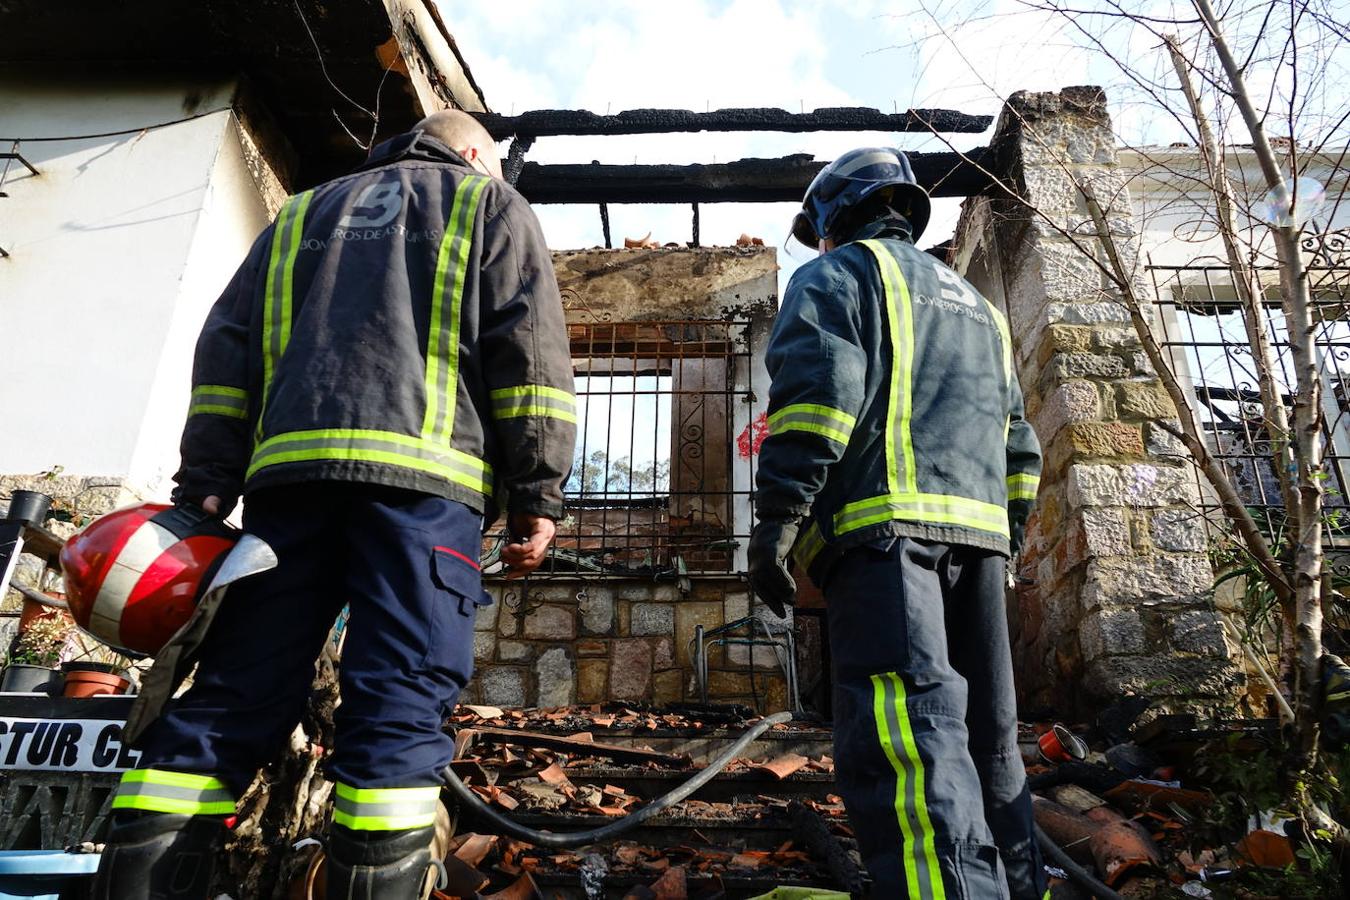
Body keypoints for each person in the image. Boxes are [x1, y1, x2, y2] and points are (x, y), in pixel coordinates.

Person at [94, 110, 576, 900]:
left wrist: (207, 481)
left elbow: (226, 349)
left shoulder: (297, 216)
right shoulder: (486, 203)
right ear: (468, 154)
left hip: (285, 495)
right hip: (421, 496)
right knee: (398, 702)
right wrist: (536, 492)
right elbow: (525, 356)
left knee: (232, 692)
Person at [748, 148, 1046, 899]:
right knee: (988, 740)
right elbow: (1019, 445)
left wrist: (778, 523)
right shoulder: (980, 309)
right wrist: (1002, 538)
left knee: (909, 736)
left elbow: (817, 402)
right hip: (979, 548)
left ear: (831, 217)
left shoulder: (835, 276)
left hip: (886, 545)